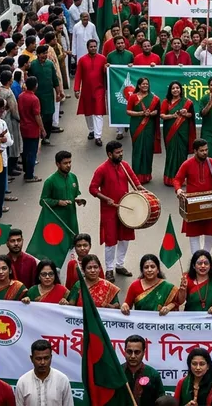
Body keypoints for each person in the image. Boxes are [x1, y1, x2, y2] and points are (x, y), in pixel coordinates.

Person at [89, 141, 141, 281]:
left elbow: (136, 183)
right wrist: (106, 199)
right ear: (109, 154)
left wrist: (142, 191)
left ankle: (119, 264)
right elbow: (92, 189)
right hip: (109, 210)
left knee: (125, 238)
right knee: (110, 241)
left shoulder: (125, 166)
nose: (121, 154)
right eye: (118, 153)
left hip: (126, 209)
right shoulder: (101, 169)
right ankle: (109, 269)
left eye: (121, 151)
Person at [174, 139, 212, 255]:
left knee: (211, 232)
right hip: (193, 204)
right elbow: (177, 179)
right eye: (202, 150)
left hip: (210, 203)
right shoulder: (187, 164)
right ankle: (197, 259)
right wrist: (178, 190)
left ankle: (206, 256)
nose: (205, 152)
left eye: (206, 150)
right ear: (195, 151)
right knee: (194, 234)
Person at [15, 339, 73, 406]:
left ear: (51, 357)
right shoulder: (23, 382)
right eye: (38, 359)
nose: (42, 362)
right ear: (31, 358)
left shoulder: (62, 380)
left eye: (46, 358)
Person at [39, 151, 84, 235]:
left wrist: (77, 200)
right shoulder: (50, 181)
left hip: (71, 219)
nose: (68, 165)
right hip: (58, 221)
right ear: (58, 164)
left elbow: (72, 196)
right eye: (65, 163)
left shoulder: (73, 177)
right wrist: (58, 202)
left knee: (74, 243)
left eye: (70, 162)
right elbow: (42, 201)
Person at [160, 81, 195, 187]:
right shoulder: (166, 102)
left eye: (177, 88)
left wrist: (185, 113)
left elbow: (191, 115)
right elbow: (162, 115)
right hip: (170, 130)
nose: (175, 90)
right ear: (170, 90)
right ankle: (169, 178)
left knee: (182, 154)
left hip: (183, 131)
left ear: (181, 89)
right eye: (173, 88)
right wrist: (172, 116)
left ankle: (181, 178)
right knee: (171, 154)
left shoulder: (187, 102)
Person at [73, 39, 107, 147]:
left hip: (99, 90)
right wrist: (76, 89)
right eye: (91, 47)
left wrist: (107, 68)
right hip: (86, 90)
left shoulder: (103, 59)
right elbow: (78, 76)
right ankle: (91, 130)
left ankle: (98, 136)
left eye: (95, 46)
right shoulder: (82, 60)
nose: (93, 48)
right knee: (88, 113)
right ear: (87, 48)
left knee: (98, 113)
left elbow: (106, 74)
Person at [126, 77, 160, 184]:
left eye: (147, 84)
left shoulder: (154, 98)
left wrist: (152, 113)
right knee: (137, 149)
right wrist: (141, 113)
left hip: (149, 126)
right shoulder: (133, 97)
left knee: (147, 149)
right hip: (136, 126)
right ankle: (136, 176)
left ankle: (146, 175)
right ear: (139, 86)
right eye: (143, 84)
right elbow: (128, 111)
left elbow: (157, 112)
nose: (145, 86)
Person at [122, 335, 164, 406]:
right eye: (129, 352)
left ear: (144, 352)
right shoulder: (118, 372)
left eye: (137, 352)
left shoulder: (153, 374)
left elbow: (161, 400)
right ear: (124, 351)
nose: (133, 356)